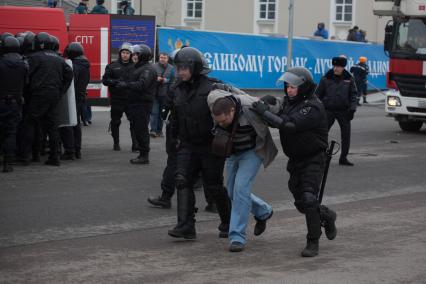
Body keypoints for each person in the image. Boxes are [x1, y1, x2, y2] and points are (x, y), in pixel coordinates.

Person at [251, 67, 337, 257]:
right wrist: (266, 100)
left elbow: (290, 125)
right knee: (301, 204)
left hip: (313, 158)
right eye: (287, 86)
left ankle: (313, 241)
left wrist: (265, 113)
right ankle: (327, 216)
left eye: (293, 87)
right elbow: (278, 106)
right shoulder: (291, 102)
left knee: (308, 198)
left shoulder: (312, 106)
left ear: (304, 87)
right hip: (296, 159)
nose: (289, 90)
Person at [167, 47, 231, 240]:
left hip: (210, 145)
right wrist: (173, 140)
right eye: (178, 68)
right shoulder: (177, 88)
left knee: (213, 186)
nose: (181, 72)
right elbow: (175, 116)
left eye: (185, 67)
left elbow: (228, 115)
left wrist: (223, 139)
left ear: (195, 67)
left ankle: (229, 222)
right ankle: (186, 226)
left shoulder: (213, 87)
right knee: (182, 180)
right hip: (187, 144)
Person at [207, 88, 277, 252]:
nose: (221, 124)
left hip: (252, 152)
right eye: (218, 122)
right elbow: (220, 87)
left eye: (224, 121)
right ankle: (264, 211)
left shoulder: (250, 106)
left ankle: (237, 237)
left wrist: (269, 103)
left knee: (240, 189)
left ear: (232, 111)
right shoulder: (212, 101)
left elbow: (277, 110)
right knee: (231, 191)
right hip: (232, 153)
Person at [21, 32, 73, 166]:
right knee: (52, 126)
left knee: (30, 123)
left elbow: (25, 76)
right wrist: (61, 90)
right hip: (54, 95)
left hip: (38, 95)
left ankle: (26, 156)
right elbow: (69, 74)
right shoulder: (59, 58)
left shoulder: (34, 57)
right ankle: (55, 157)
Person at [116, 44, 157, 164]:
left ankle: (144, 155)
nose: (133, 56)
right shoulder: (138, 67)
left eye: (136, 54)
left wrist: (126, 85)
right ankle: (142, 153)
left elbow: (142, 85)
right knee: (138, 129)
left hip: (142, 104)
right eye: (133, 54)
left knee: (142, 130)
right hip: (135, 103)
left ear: (142, 56)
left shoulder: (148, 69)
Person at [316, 56, 358, 166]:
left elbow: (353, 95)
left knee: (346, 135)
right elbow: (317, 95)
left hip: (344, 111)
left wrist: (352, 109)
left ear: (343, 67)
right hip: (328, 110)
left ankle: (343, 158)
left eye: (338, 66)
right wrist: (319, 109)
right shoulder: (326, 78)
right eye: (334, 66)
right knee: (322, 133)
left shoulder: (349, 78)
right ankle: (321, 156)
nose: (336, 68)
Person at [0, 36, 28, 172]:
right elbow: (27, 82)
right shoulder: (24, 63)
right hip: (15, 102)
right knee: (11, 133)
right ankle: (8, 162)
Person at [102, 42, 135, 151]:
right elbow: (105, 81)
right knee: (115, 122)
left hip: (131, 99)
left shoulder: (135, 66)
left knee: (134, 122)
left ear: (131, 54)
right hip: (117, 99)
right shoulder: (112, 66)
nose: (125, 55)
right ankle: (116, 143)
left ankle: (135, 144)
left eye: (127, 53)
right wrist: (115, 82)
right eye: (123, 52)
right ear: (120, 53)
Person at [60, 42, 90, 160]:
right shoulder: (85, 64)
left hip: (73, 97)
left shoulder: (75, 66)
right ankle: (77, 150)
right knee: (76, 124)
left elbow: (70, 82)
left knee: (68, 124)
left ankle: (70, 151)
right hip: (80, 97)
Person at [150, 52, 174, 138]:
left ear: (167, 59)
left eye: (165, 58)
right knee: (154, 113)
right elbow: (149, 79)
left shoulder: (171, 68)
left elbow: (172, 82)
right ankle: (153, 130)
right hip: (154, 94)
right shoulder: (153, 67)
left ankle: (159, 131)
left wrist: (165, 81)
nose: (163, 59)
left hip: (165, 95)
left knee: (161, 114)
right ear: (158, 58)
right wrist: (156, 79)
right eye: (161, 57)